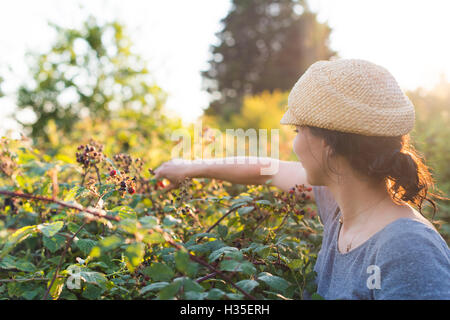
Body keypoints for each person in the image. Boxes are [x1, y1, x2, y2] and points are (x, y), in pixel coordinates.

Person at [154, 58, 450, 300]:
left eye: (297, 132)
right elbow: (266, 169)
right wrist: (189, 167)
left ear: (328, 145)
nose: (294, 145)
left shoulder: (407, 250)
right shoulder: (340, 202)